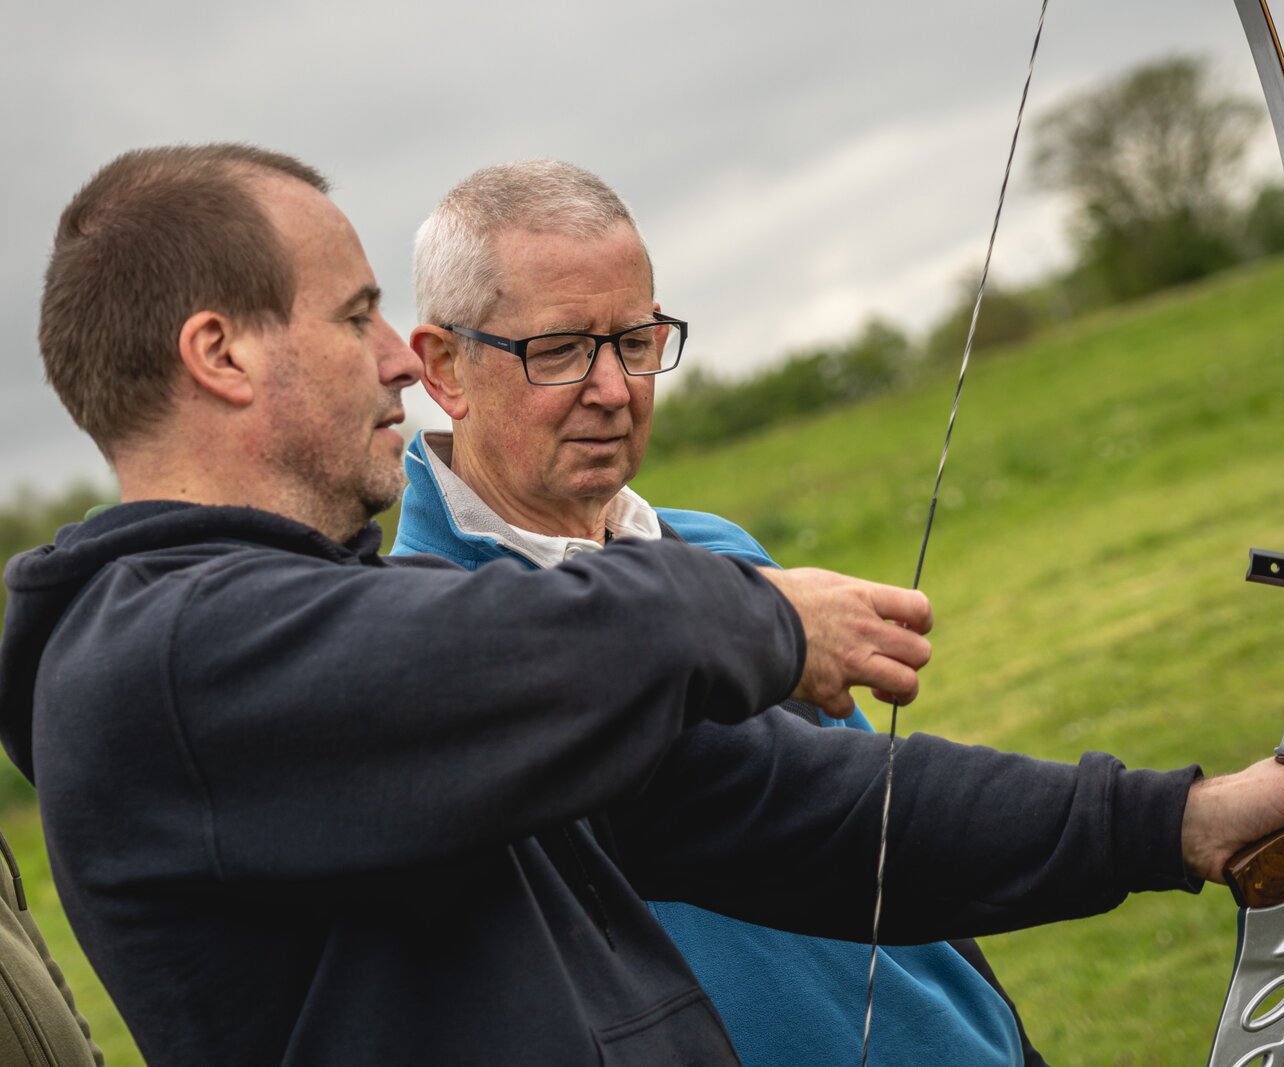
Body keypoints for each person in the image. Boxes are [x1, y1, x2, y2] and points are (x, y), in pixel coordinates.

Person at [0, 144, 1284, 1067]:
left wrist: (1175, 820)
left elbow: (792, 812)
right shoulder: (157, 661)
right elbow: (524, 638)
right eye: (355, 312)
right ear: (221, 352)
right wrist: (759, 617)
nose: (399, 362)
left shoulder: (334, 657)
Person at [396, 159, 1050, 1067]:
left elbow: (875, 826)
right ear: (444, 368)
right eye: (561, 350)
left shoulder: (718, 547)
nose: (615, 389)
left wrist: (1000, 1030)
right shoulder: (418, 642)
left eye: (635, 340)